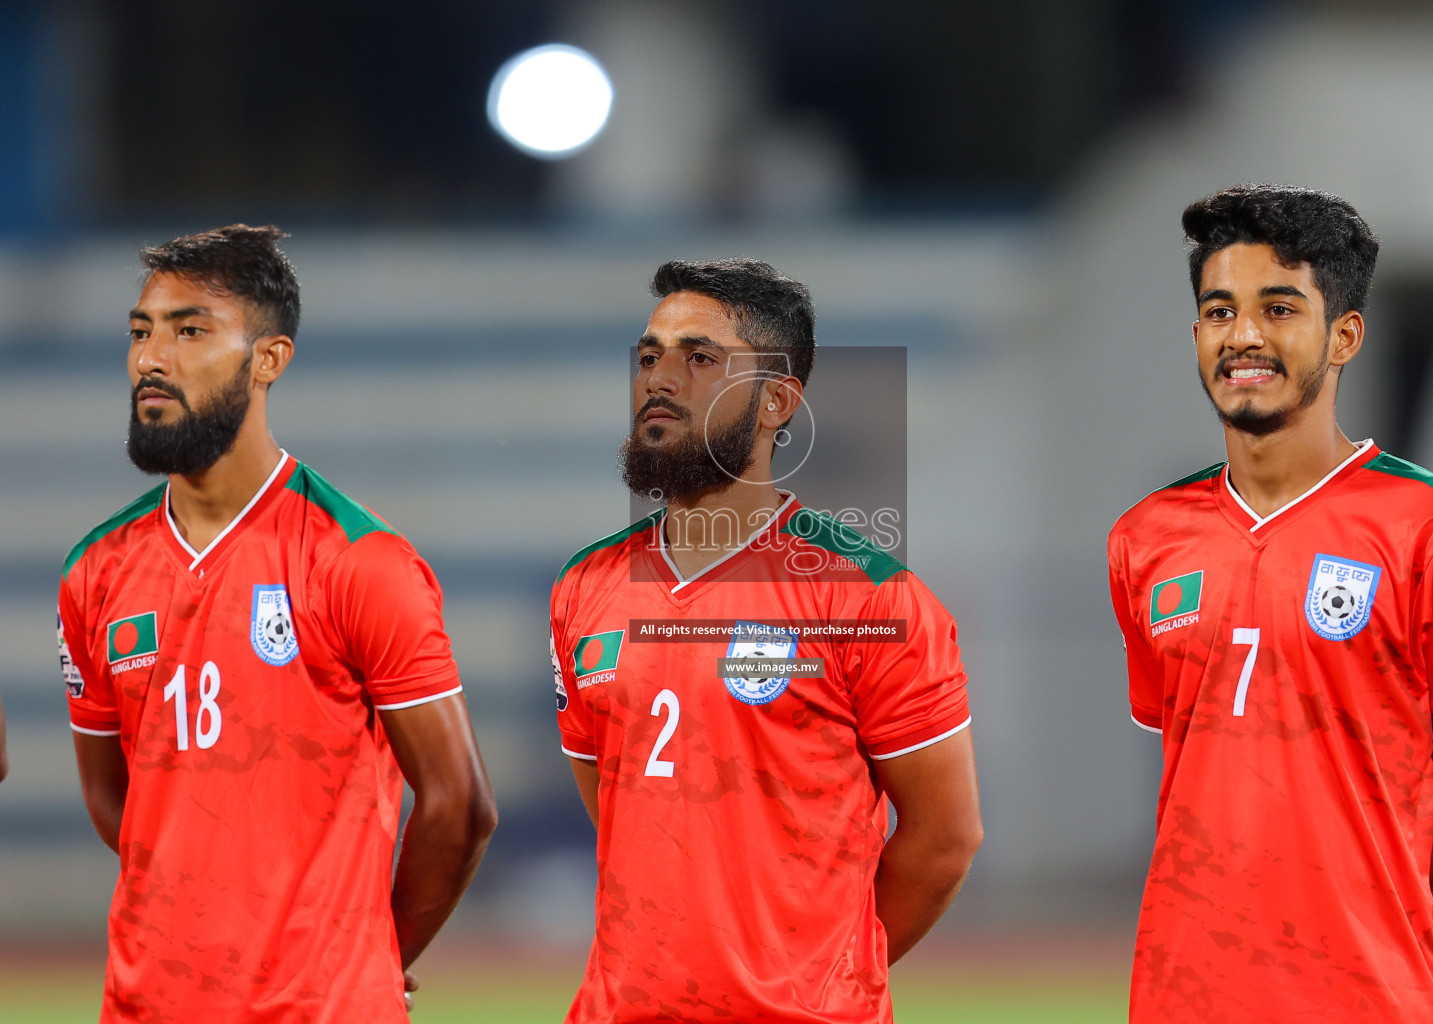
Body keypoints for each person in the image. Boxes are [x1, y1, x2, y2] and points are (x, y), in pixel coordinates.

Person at [1107, 184, 1433, 1022]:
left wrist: (1346, 904)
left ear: (1344, 336)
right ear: (1198, 334)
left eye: (1279, 308)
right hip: (1178, 998)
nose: (1246, 337)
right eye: (1220, 311)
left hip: (1366, 998)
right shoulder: (1145, 536)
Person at [57, 224, 498, 1023]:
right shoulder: (95, 570)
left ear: (269, 360)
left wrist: (373, 953)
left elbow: (459, 805)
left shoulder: (360, 560)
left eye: (190, 330)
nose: (152, 359)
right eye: (140, 332)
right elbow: (111, 792)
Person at [550, 258, 983, 1024]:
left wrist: (827, 970)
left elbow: (944, 836)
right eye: (650, 355)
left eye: (701, 358)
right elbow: (617, 809)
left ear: (777, 401)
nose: (660, 377)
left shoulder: (868, 595)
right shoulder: (583, 589)